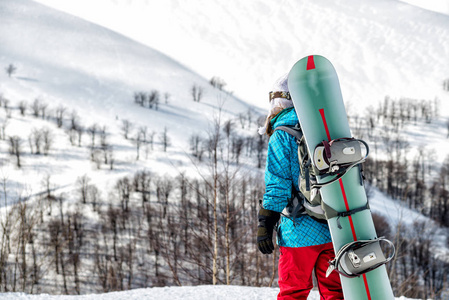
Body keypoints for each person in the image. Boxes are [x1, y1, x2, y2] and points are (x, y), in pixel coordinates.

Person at [257, 74, 344, 300]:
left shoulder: (281, 135)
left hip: (298, 233)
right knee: (335, 293)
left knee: (293, 294)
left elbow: (278, 184)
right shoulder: (325, 128)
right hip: (333, 227)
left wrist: (265, 223)